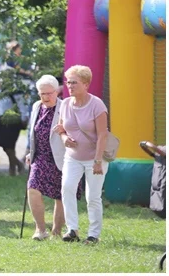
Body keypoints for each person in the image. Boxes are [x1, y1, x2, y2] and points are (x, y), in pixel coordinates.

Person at [56, 65, 109, 244]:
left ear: (86, 84)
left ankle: (93, 235)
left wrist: (98, 160)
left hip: (95, 158)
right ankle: (72, 229)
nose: (69, 86)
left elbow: (103, 134)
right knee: (67, 188)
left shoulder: (97, 104)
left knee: (92, 197)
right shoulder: (64, 104)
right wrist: (64, 139)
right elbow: (61, 128)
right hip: (72, 157)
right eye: (68, 82)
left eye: (74, 82)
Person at [26, 74, 68, 241]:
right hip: (41, 156)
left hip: (62, 157)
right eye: (42, 94)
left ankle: (56, 232)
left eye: (49, 93)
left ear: (57, 91)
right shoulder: (37, 106)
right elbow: (33, 132)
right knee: (33, 188)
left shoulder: (65, 106)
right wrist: (31, 151)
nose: (46, 97)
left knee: (61, 195)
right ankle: (40, 229)